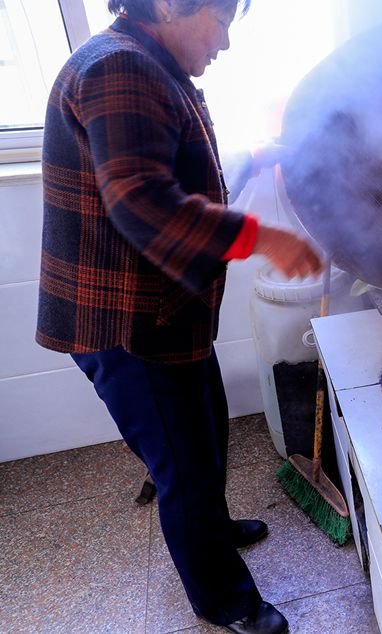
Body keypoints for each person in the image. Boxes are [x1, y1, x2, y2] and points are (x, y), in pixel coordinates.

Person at [36, 1, 320, 632]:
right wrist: (264, 238)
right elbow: (143, 204)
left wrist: (256, 154)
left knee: (205, 430)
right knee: (183, 468)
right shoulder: (118, 69)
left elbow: (179, 175)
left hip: (164, 315)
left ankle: (209, 531)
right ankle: (224, 601)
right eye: (220, 21)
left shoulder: (145, 62)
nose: (223, 42)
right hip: (127, 324)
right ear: (168, 3)